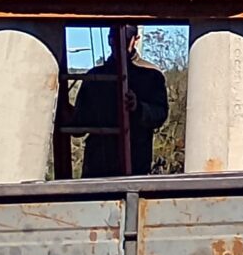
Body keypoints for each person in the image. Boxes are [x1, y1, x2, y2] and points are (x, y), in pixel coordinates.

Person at [66, 27, 170, 176]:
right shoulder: (94, 77)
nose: (118, 44)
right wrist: (68, 115)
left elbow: (160, 115)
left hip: (135, 167)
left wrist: (138, 108)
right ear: (109, 40)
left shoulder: (152, 76)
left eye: (124, 40)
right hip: (97, 169)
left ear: (136, 39)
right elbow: (80, 126)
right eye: (114, 39)